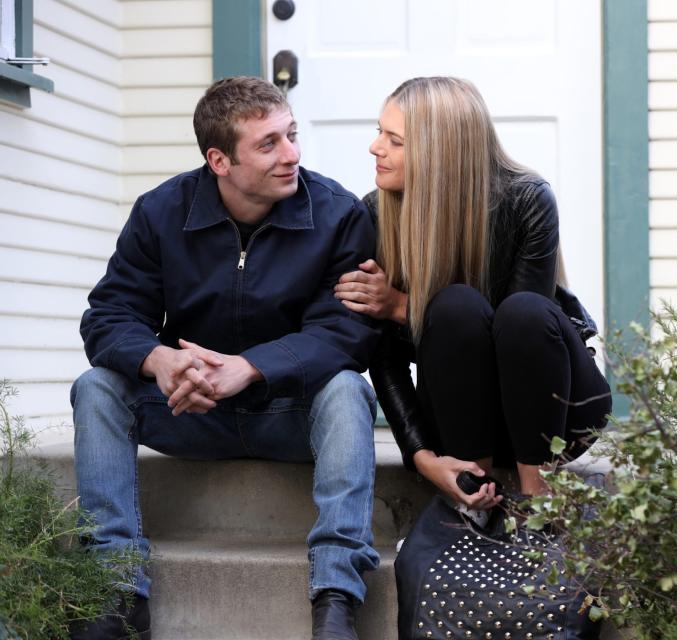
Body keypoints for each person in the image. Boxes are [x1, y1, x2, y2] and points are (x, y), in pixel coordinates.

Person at [70, 76, 379, 640]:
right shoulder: (161, 212)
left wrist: (252, 367)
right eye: (269, 144)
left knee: (348, 390)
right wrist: (160, 360)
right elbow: (108, 314)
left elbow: (346, 331)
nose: (292, 154)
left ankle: (336, 594)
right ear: (219, 159)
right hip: (190, 410)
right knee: (96, 387)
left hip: (290, 414)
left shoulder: (338, 214)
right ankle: (114, 586)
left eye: (291, 134)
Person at [335, 76, 611, 512]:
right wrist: (423, 457)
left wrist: (402, 307)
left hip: (556, 417)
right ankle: (475, 494)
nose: (376, 148)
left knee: (513, 311)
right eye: (378, 133)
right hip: (459, 422)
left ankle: (538, 497)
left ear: (438, 151)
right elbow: (383, 358)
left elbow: (519, 329)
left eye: (395, 140)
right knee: (454, 307)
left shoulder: (527, 200)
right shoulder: (375, 213)